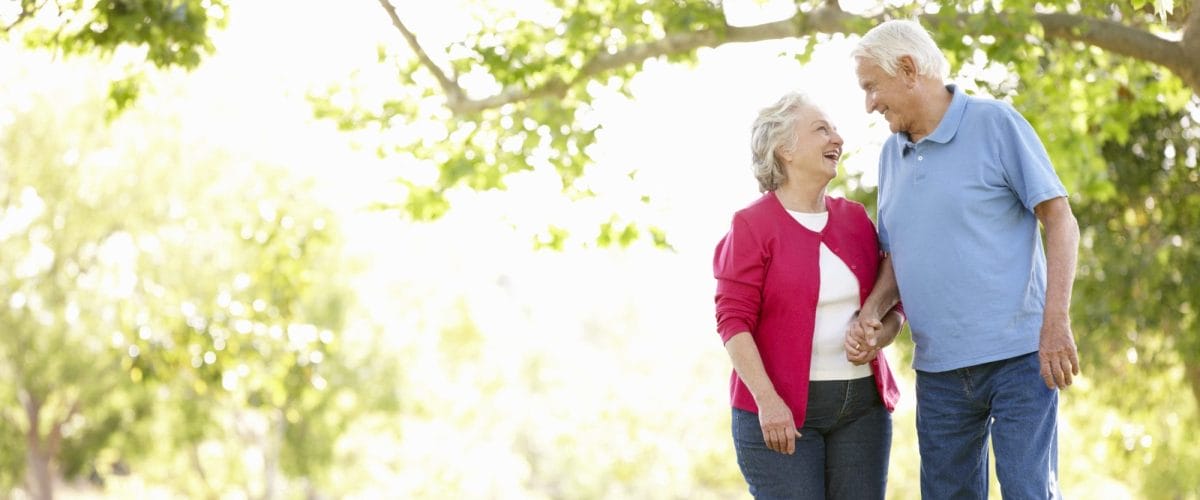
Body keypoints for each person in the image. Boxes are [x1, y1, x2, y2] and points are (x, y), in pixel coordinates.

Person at [847, 19, 1082, 499]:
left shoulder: (996, 124)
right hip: (939, 371)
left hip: (1018, 359)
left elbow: (1060, 221)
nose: (869, 103)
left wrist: (1055, 321)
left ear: (909, 70)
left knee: (1027, 492)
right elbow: (898, 255)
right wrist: (871, 311)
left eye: (872, 87)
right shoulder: (891, 156)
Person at [712, 91, 905, 499]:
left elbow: (894, 304)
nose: (837, 138)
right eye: (822, 129)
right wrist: (767, 401)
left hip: (862, 412)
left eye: (835, 129)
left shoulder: (854, 219)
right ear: (785, 149)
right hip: (780, 414)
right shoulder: (751, 225)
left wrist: (878, 337)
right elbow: (733, 322)